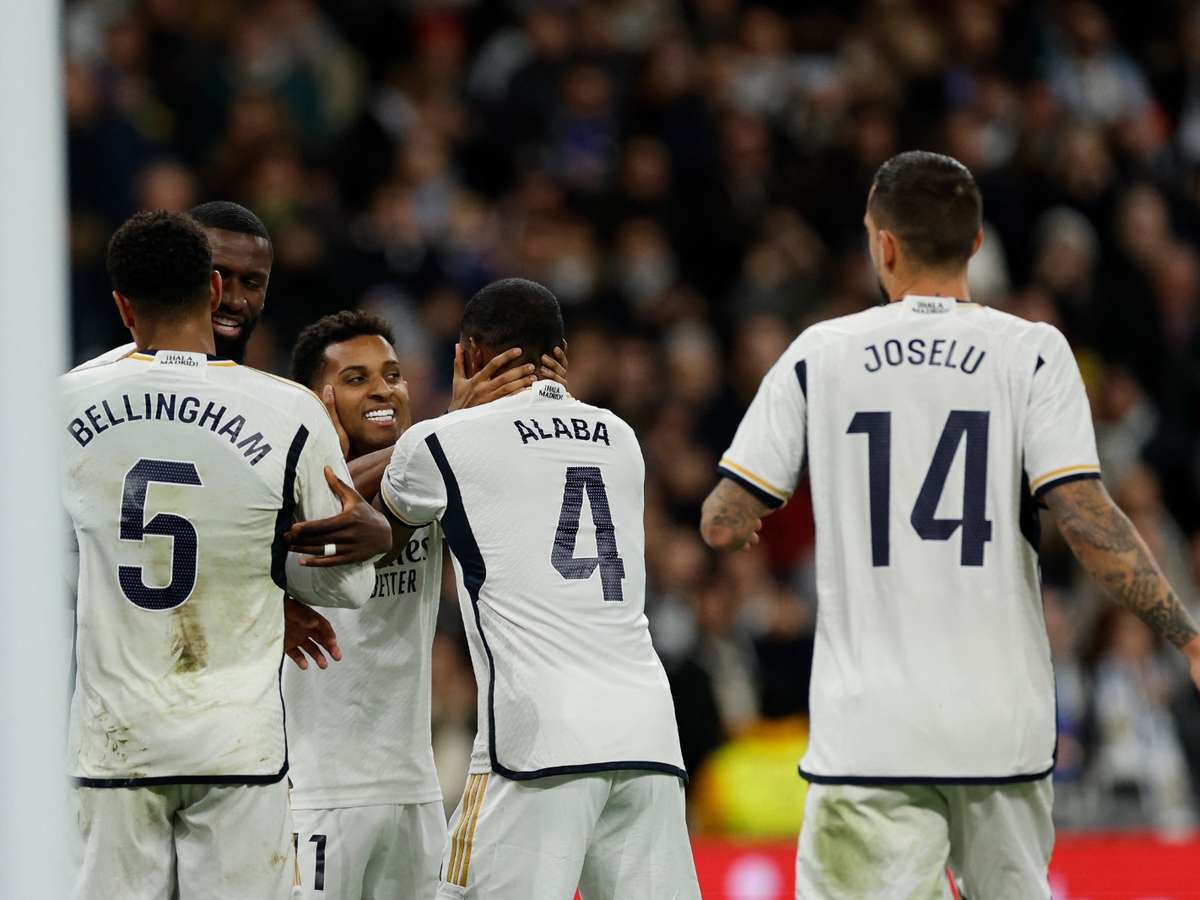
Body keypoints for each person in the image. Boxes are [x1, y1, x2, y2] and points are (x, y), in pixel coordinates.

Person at [700, 150, 1200, 899]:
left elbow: (722, 518)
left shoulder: (820, 355)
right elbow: (1088, 518)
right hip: (1003, 726)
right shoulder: (1033, 352)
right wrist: (1186, 636)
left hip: (871, 734)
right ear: (974, 243)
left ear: (883, 245)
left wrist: (737, 521)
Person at [61, 211, 390, 900]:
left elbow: (48, 564)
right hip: (237, 744)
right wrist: (276, 577)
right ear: (210, 291)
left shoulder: (61, 403)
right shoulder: (289, 411)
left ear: (123, 306)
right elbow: (349, 590)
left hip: (114, 740)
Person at [366, 277, 700, 899]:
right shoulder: (623, 438)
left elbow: (371, 519)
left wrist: (456, 412)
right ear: (562, 358)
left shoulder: (442, 441)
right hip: (649, 734)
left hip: (536, 742)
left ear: (465, 355)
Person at [281, 310, 564, 899]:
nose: (383, 389)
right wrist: (451, 425)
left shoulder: (433, 473)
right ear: (316, 398)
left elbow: (408, 506)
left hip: (415, 788)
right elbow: (336, 523)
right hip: (312, 792)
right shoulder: (285, 487)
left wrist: (543, 398)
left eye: (392, 374)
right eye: (357, 379)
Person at [75, 200, 273, 367]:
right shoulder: (82, 391)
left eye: (251, 284)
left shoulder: (285, 404)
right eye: (221, 275)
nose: (235, 300)